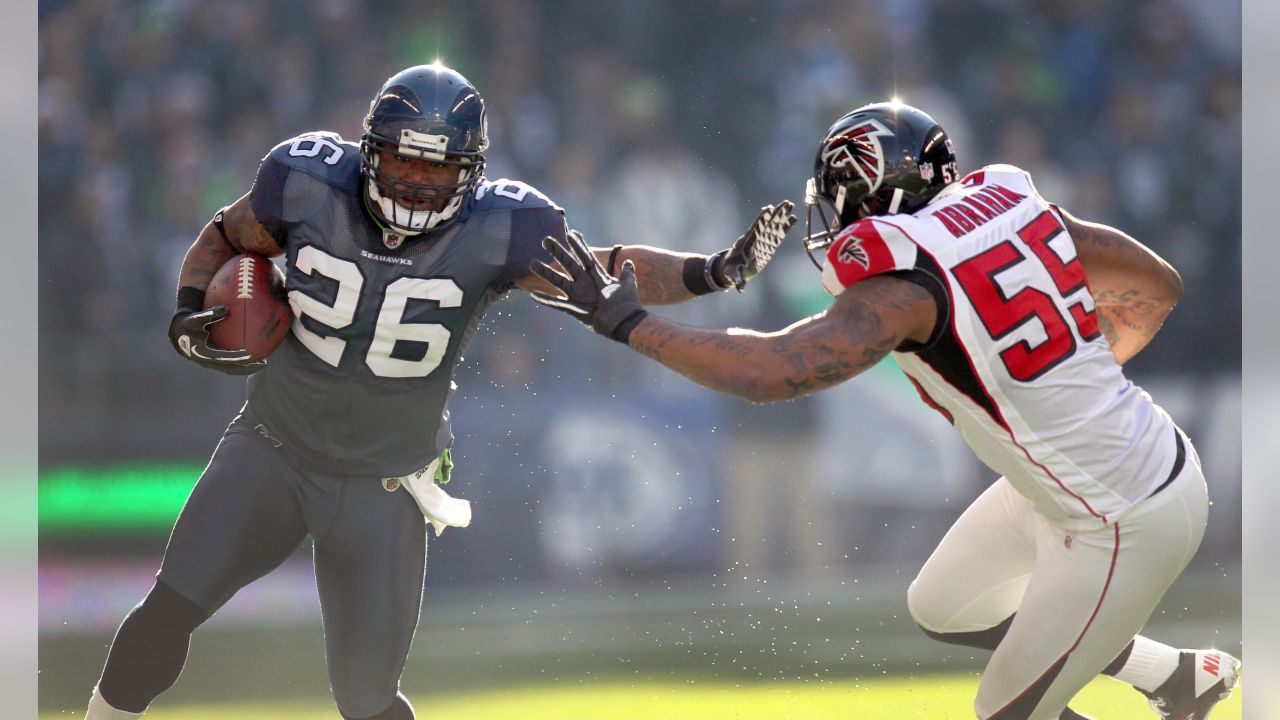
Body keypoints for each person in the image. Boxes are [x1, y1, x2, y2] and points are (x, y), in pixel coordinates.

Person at [83, 63, 796, 720]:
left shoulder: (502, 226)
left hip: (384, 484)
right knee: (167, 611)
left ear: (473, 172)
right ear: (367, 150)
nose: (418, 184)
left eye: (439, 167)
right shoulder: (304, 179)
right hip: (274, 448)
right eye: (402, 160)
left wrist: (713, 270)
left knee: (367, 699)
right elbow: (222, 236)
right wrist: (185, 313)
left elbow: (608, 267)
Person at [530, 101, 1241, 720]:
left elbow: (773, 373)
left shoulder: (906, 283)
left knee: (1003, 711)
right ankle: (1179, 679)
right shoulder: (1012, 208)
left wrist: (632, 325)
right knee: (945, 605)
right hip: (1096, 476)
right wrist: (1077, 366)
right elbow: (1158, 284)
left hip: (1122, 512)